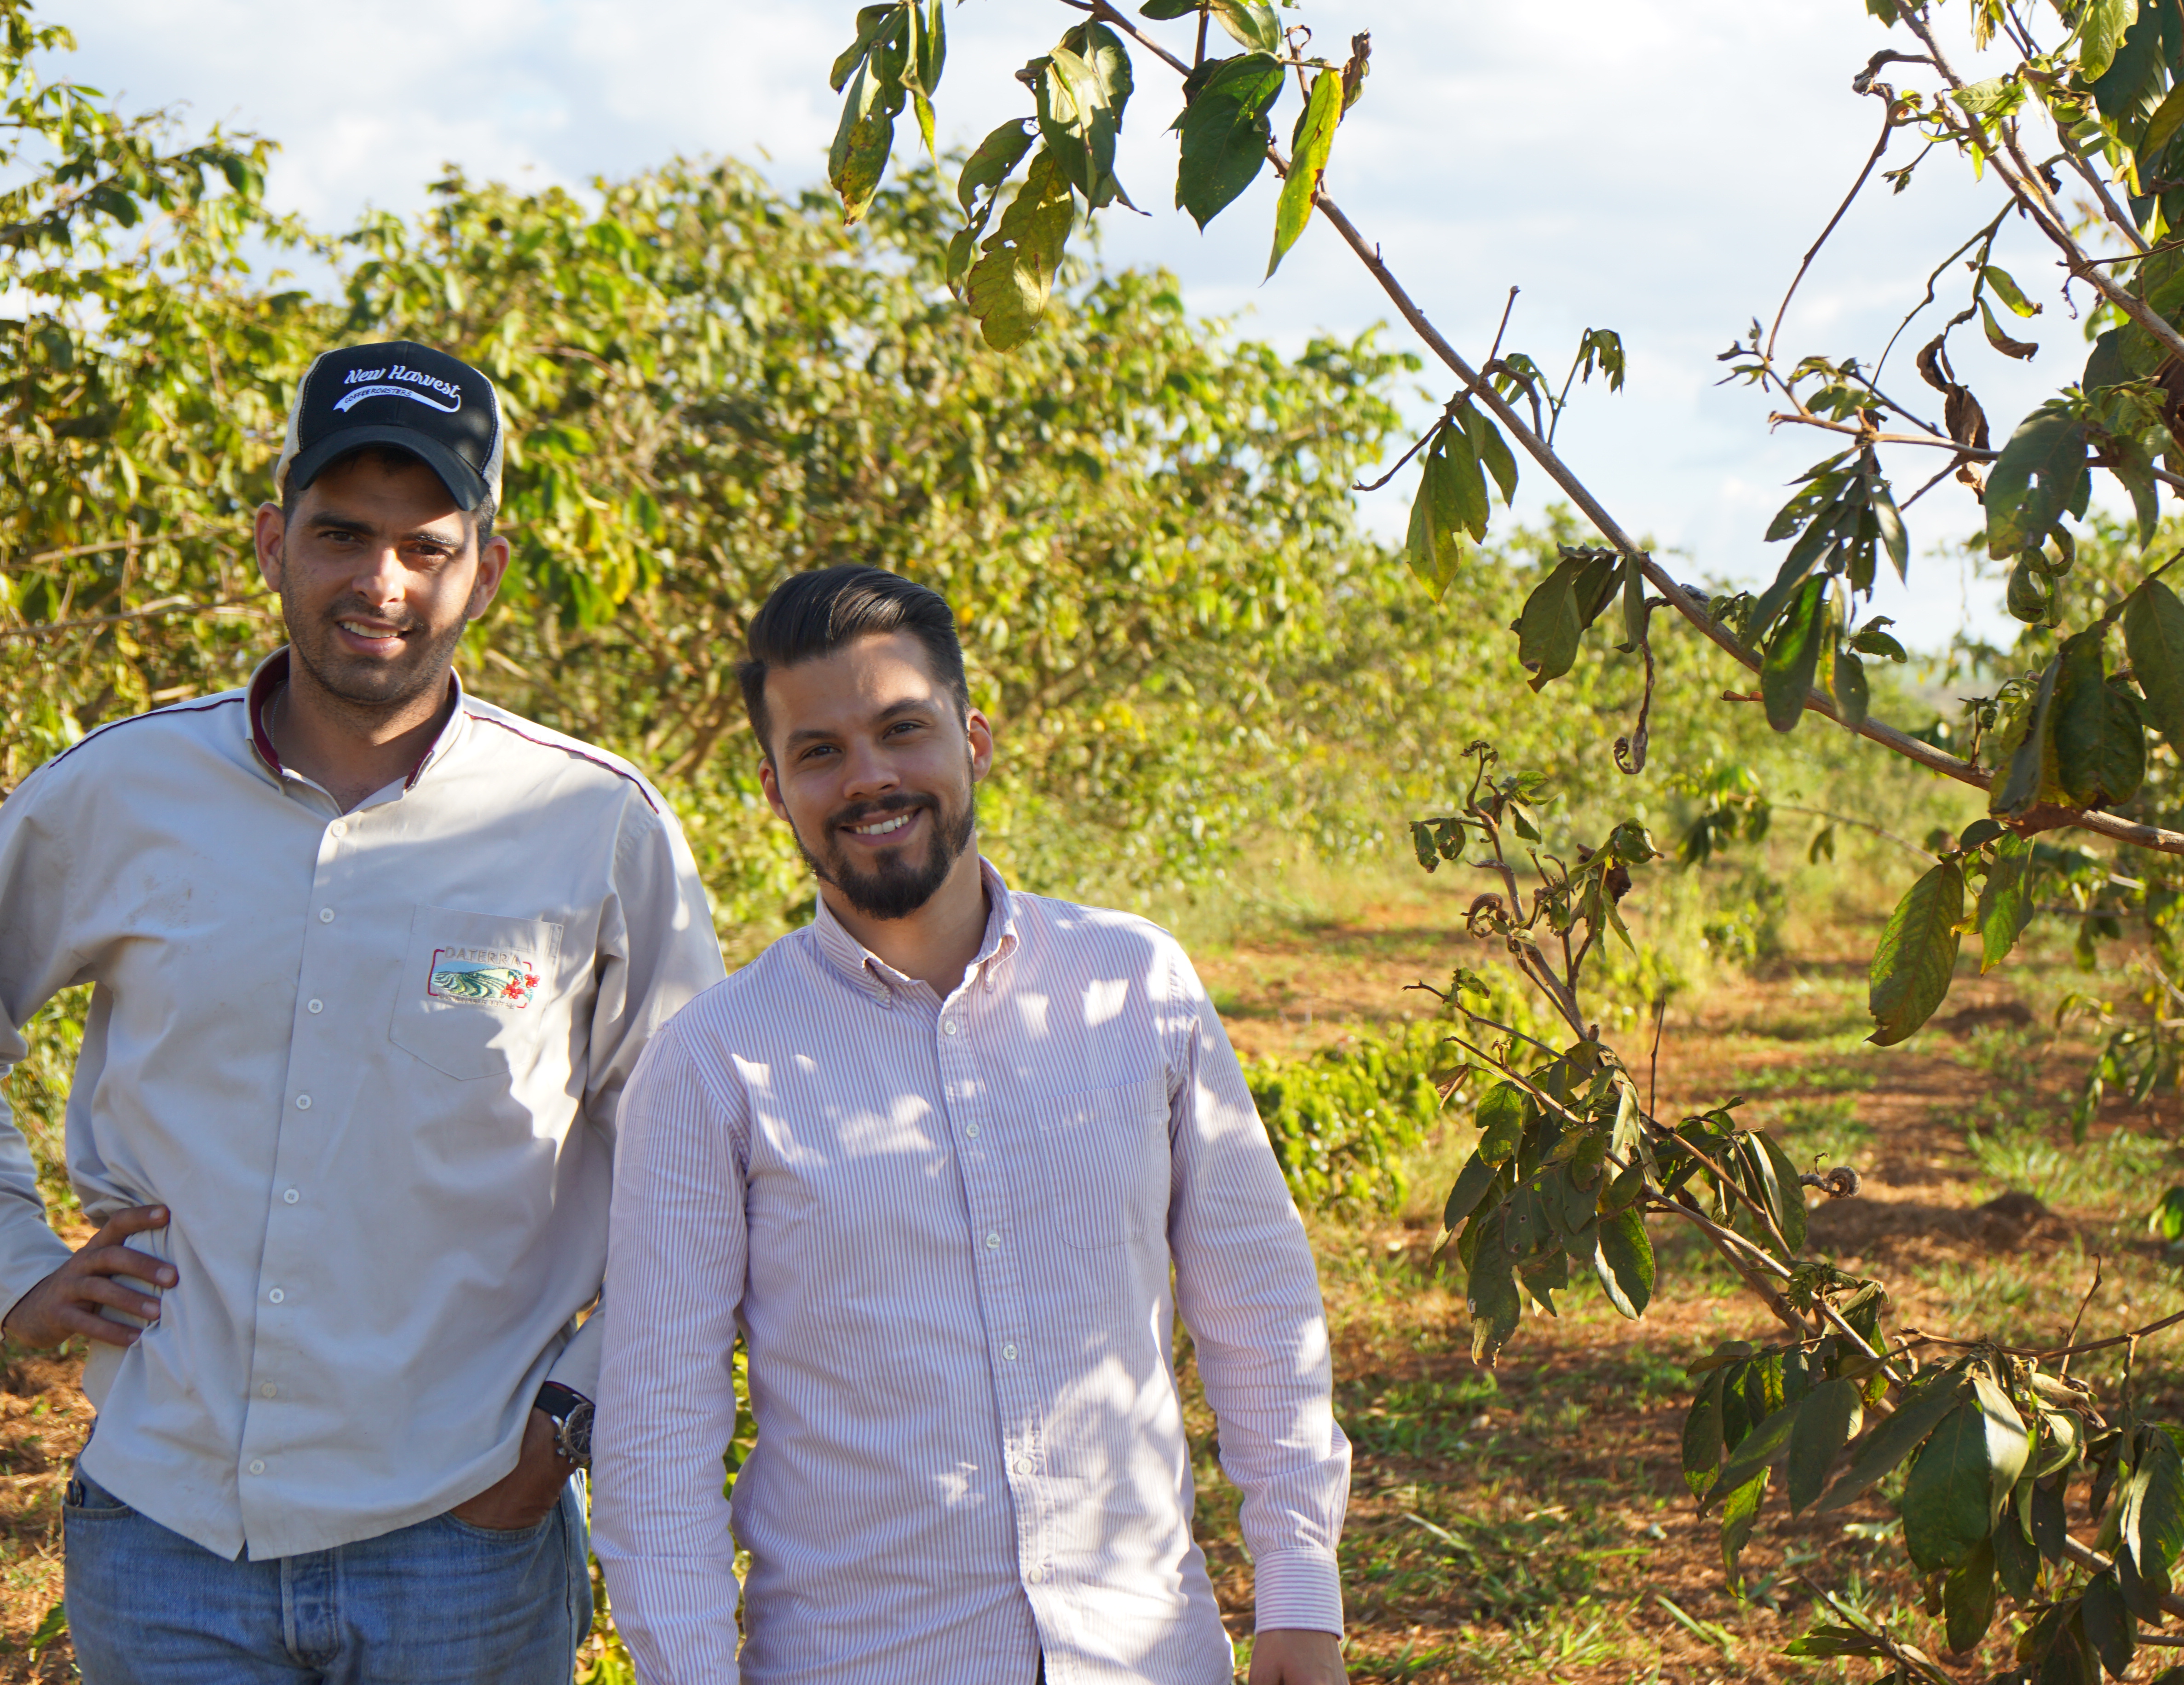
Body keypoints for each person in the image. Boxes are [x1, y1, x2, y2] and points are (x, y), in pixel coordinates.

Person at [0, 340, 726, 1683]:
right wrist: (12, 1265)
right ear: (275, 542)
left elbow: (704, 1159)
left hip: (462, 1537)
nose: (378, 585)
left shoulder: (589, 824)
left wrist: (568, 1422)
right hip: (166, 1537)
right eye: (341, 535)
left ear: (485, 570)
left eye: (424, 545)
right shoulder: (121, 792)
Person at [593, 566, 1352, 1685]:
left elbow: (1259, 1299)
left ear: (974, 735)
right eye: (821, 751)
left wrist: (1300, 1588)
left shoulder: (1133, 981)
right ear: (771, 784)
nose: (871, 777)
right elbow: (659, 1431)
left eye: (904, 728)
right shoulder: (714, 1061)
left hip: (1148, 1655)